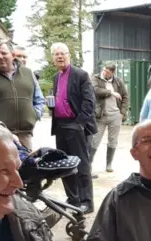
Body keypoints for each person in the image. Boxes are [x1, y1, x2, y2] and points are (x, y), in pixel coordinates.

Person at [50, 42, 96, 213]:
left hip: (76, 125)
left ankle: (86, 201)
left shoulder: (80, 75)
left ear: (69, 56)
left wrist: (80, 124)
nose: (60, 56)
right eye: (56, 54)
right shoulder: (56, 77)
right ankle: (73, 199)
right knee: (64, 164)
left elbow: (89, 102)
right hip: (60, 126)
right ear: (53, 58)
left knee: (82, 165)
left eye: (63, 53)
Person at [90, 61, 129, 175]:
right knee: (94, 141)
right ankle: (89, 164)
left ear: (112, 72)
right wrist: (111, 93)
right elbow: (95, 90)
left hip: (115, 116)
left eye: (107, 71)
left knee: (113, 141)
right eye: (104, 70)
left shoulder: (118, 81)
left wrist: (122, 112)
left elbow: (126, 96)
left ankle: (109, 164)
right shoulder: (96, 78)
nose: (104, 72)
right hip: (100, 115)